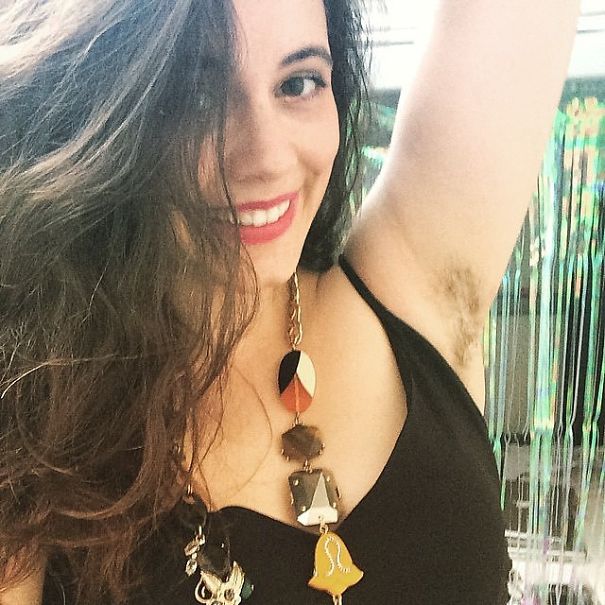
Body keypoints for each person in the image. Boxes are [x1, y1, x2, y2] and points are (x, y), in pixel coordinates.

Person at [0, 0, 580, 604]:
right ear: (92, 108)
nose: (268, 158)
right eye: (196, 96)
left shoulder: (415, 284)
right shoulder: (32, 426)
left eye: (299, 83)